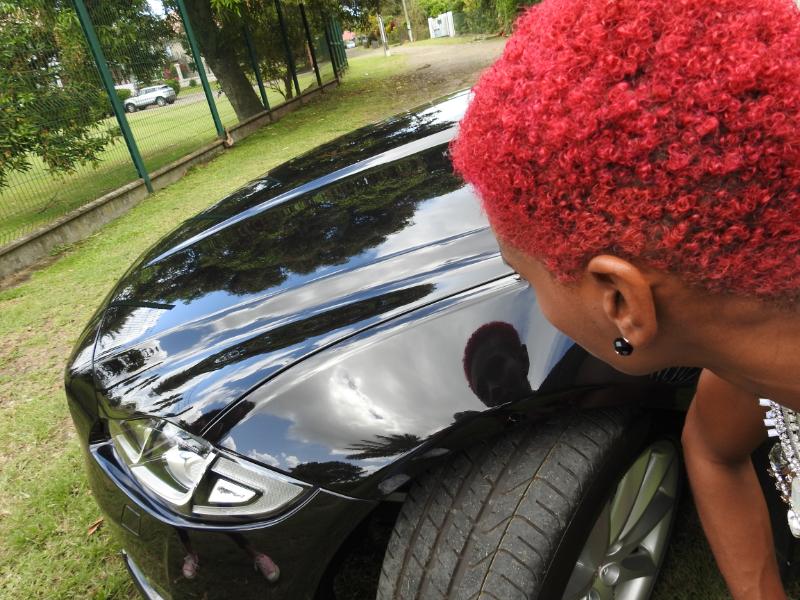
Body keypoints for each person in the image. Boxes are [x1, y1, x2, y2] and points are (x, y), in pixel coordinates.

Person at [450, 0, 800, 598]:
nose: (535, 303)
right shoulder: (754, 361)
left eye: (526, 277)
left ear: (620, 302)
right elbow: (711, 451)